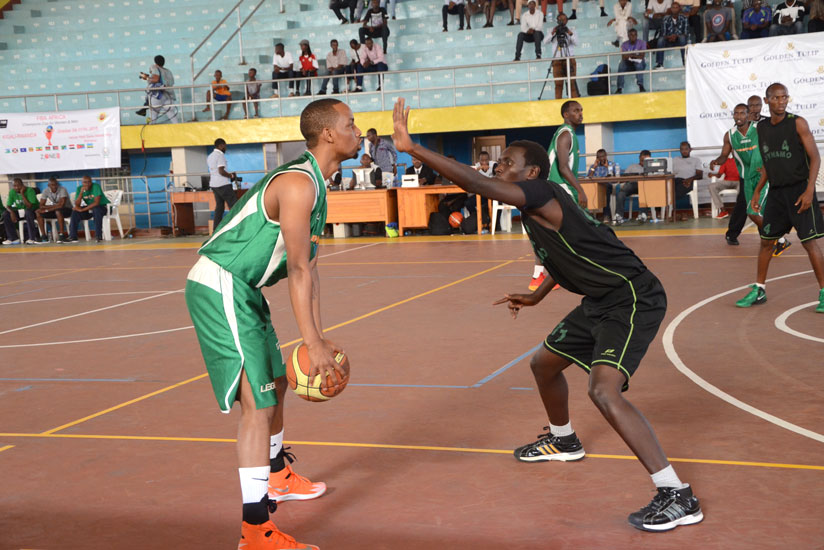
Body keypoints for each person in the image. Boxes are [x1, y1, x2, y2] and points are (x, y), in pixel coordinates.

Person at [391, 96, 704, 532]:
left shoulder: (541, 191)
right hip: (598, 300)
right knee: (543, 363)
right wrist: (537, 297)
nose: (498, 167)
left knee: (604, 392)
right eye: (497, 162)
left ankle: (676, 493)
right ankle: (564, 440)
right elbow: (564, 258)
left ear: (531, 172)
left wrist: (414, 149)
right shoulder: (531, 211)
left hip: (632, 296)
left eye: (507, 162)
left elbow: (479, 186)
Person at [185, 98, 360, 550]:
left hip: (246, 290)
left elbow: (311, 269)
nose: (357, 130)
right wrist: (312, 343)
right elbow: (297, 271)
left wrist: (317, 338)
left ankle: (277, 474)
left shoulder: (318, 184)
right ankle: (255, 531)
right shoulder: (299, 185)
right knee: (257, 407)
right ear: (327, 135)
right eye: (350, 124)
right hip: (221, 282)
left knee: (277, 383)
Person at [736, 83, 824, 313]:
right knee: (766, 242)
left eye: (784, 97)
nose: (782, 101)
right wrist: (757, 191)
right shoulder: (762, 128)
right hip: (776, 193)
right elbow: (769, 161)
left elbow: (815, 158)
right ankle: (759, 289)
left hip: (799, 191)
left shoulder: (797, 123)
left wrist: (809, 190)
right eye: (776, 97)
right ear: (767, 101)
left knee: (809, 242)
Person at [614, 150, 656, 224]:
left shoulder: (653, 168)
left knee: (645, 189)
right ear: (639, 158)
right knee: (621, 193)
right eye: (642, 160)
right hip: (632, 185)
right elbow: (623, 178)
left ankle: (642, 214)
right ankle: (619, 215)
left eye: (646, 161)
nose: (643, 162)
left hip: (645, 187)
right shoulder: (632, 166)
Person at [546, 13, 580, 100]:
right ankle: (558, 104)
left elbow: (577, 43)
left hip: (569, 60)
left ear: (567, 20)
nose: (562, 21)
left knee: (572, 83)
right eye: (560, 19)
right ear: (557, 21)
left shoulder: (571, 30)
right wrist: (553, 33)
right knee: (558, 85)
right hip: (557, 61)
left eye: (564, 19)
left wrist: (569, 33)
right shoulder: (553, 31)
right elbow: (545, 41)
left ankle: (574, 104)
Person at [207, 138, 239, 231]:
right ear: (221, 145)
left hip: (214, 185)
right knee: (234, 206)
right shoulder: (220, 156)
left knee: (219, 208)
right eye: (225, 146)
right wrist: (231, 175)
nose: (225, 148)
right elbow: (221, 171)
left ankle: (216, 230)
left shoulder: (210, 156)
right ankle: (236, 228)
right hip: (223, 184)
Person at [139, 55, 180, 124]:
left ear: (155, 62)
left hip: (158, 95)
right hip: (169, 96)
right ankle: (179, 130)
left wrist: (147, 78)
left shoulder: (155, 68)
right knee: (172, 115)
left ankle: (149, 131)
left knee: (153, 115)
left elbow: (156, 79)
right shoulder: (168, 71)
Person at [68, 175, 110, 243]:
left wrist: (82, 210)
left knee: (96, 210)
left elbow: (96, 203)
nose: (87, 184)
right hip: (90, 209)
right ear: (82, 183)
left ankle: (98, 235)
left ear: (91, 182)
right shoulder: (79, 188)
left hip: (102, 207)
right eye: (85, 182)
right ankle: (73, 236)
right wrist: (81, 193)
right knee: (75, 212)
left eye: (89, 182)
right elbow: (77, 204)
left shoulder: (96, 186)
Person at [2, 178, 40, 245]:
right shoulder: (12, 192)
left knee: (28, 212)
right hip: (21, 211)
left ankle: (32, 238)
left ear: (22, 185)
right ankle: (13, 238)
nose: (16, 188)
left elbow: (29, 206)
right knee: (6, 214)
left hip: (32, 211)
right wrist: (12, 212)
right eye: (14, 186)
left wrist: (22, 194)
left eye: (18, 185)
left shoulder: (30, 190)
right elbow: (8, 206)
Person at [36, 176, 73, 242]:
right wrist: (52, 207)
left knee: (58, 211)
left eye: (56, 184)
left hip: (67, 209)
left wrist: (48, 209)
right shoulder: (45, 191)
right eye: (52, 185)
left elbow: (62, 205)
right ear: (48, 185)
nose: (54, 186)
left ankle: (61, 235)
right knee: (38, 212)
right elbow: (41, 205)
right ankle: (44, 236)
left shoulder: (62, 189)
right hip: (54, 209)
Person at [655, 1, 688, 68]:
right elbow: (663, 33)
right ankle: (660, 64)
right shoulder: (666, 19)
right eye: (673, 7)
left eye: (676, 7)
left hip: (679, 41)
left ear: (679, 9)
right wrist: (670, 37)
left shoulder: (684, 18)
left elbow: (685, 33)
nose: (675, 9)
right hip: (668, 40)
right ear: (671, 9)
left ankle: (685, 62)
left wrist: (676, 36)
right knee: (661, 39)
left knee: (682, 38)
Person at [586, 148, 616, 220]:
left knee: (606, 189)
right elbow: (588, 177)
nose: (601, 158)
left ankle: (606, 215)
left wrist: (607, 167)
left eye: (603, 156)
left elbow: (615, 177)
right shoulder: (594, 166)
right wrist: (594, 167)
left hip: (608, 185)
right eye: (599, 157)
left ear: (606, 156)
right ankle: (589, 215)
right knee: (588, 189)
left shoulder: (612, 165)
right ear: (597, 158)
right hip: (596, 186)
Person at [615, 28, 647, 94]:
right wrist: (634, 55)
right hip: (629, 64)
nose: (633, 37)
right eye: (631, 35)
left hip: (639, 64)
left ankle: (641, 86)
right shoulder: (624, 44)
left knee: (638, 63)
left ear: (637, 35)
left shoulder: (642, 43)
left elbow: (642, 56)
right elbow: (624, 57)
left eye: (635, 35)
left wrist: (631, 55)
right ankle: (619, 88)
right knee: (621, 64)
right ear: (628, 36)